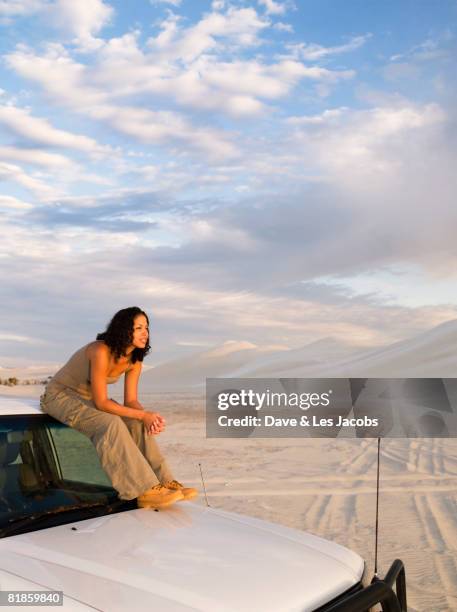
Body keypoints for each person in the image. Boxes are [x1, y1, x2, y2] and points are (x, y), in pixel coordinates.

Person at [40, 306, 197, 509]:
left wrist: (147, 418)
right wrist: (143, 415)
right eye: (139, 327)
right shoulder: (100, 350)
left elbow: (131, 401)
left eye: (147, 328)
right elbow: (102, 403)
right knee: (110, 422)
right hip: (59, 396)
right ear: (124, 329)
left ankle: (165, 482)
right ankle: (143, 490)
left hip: (87, 399)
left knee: (136, 421)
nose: (145, 333)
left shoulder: (135, 360)